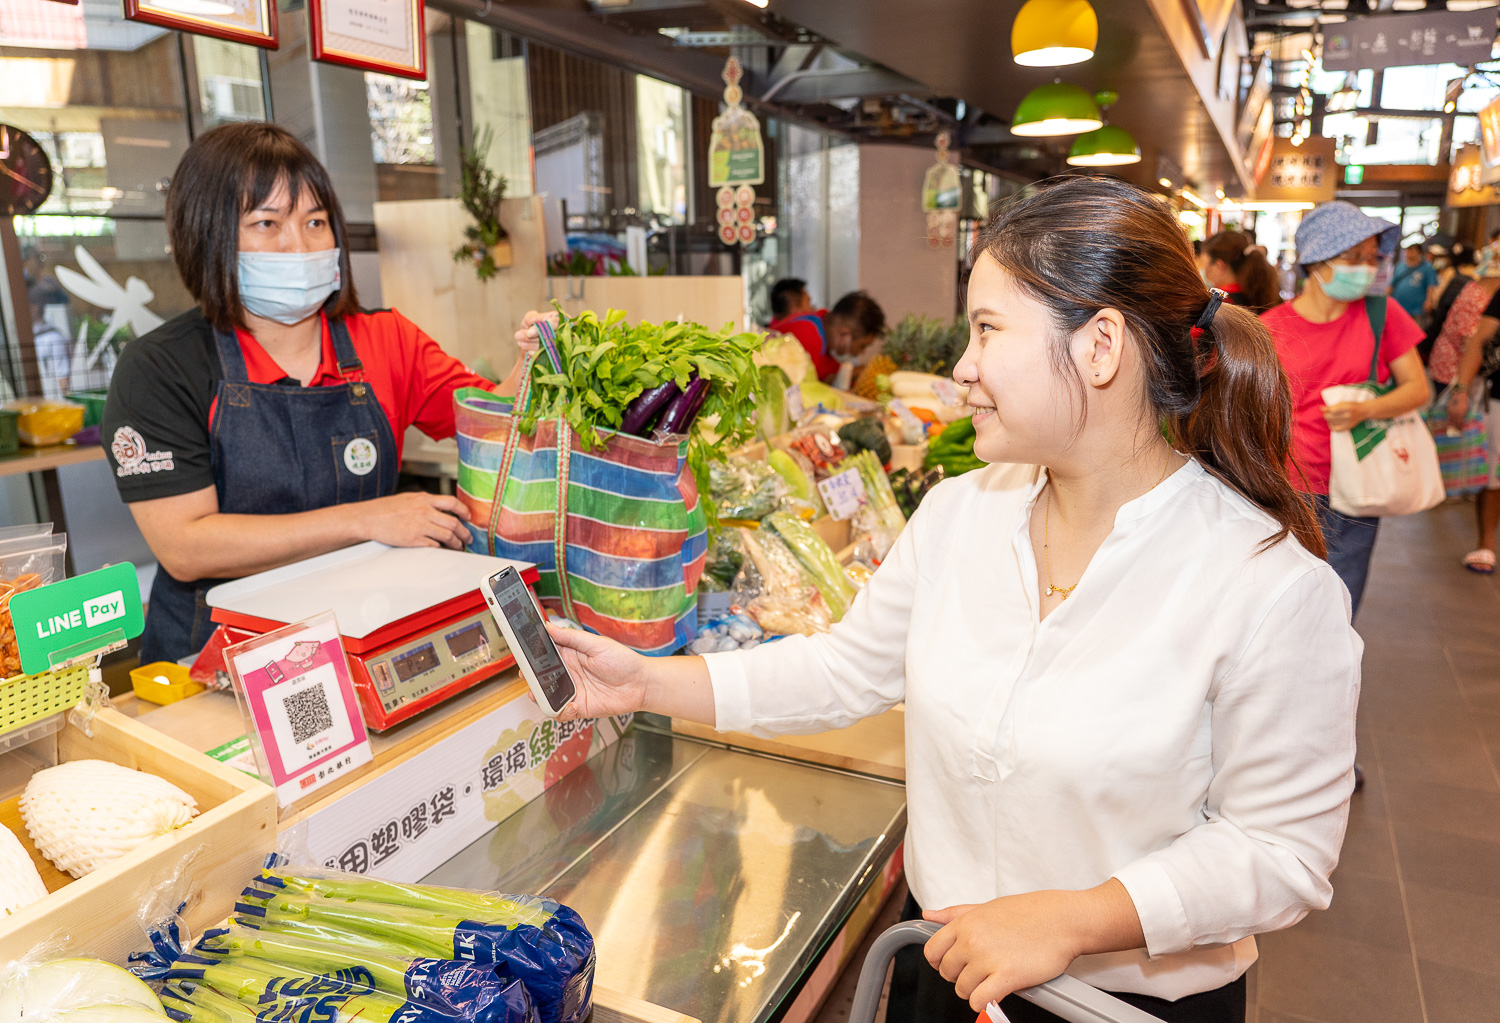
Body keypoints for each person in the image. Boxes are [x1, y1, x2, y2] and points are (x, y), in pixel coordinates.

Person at [544, 177, 1360, 1023]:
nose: (961, 368)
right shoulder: (961, 513)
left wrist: (1077, 915)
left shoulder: (1269, 587)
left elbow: (1280, 851)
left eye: (987, 330)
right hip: (939, 971)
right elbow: (846, 668)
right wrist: (646, 682)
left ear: (1101, 347)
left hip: (1117, 1007)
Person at [102, 122, 528, 664]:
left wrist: (535, 362)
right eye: (266, 222)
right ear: (206, 234)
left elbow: (496, 427)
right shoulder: (161, 368)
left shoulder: (386, 339)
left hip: (367, 632)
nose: (298, 245)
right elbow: (186, 547)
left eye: (315, 221)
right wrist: (366, 519)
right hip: (216, 657)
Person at [1260, 202, 1431, 618]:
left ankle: (1329, 679)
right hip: (1289, 485)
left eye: (1372, 258)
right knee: (1281, 600)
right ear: (1316, 261)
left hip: (1359, 480)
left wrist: (1366, 410)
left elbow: (1417, 389)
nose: (1366, 268)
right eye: (1353, 257)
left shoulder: (1381, 314)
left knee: (1341, 598)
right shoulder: (1269, 328)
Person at [1438, 284, 1500, 572]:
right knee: (1493, 475)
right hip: (1497, 397)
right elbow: (1479, 340)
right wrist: (1461, 389)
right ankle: (1486, 543)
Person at [768, 278, 836, 382]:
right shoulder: (805, 331)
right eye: (808, 302)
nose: (813, 309)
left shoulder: (772, 332)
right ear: (795, 309)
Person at [1420, 241, 1475, 365]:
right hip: (1464, 326)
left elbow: (1439, 295)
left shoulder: (1451, 272)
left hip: (1444, 319)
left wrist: (1433, 305)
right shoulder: (1476, 274)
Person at [1201, 230, 1282, 312]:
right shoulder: (1254, 294)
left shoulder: (1219, 302)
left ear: (1219, 266)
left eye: (1206, 265)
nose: (1204, 270)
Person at [825, 290, 888, 392]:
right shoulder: (806, 336)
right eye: (862, 346)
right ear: (844, 334)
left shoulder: (825, 340)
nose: (862, 352)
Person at [1390, 243, 1438, 323]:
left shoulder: (1427, 267)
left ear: (1419, 253)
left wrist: (1429, 300)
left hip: (1417, 308)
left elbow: (1431, 285)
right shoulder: (1400, 266)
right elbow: (1392, 284)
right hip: (1398, 306)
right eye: (1408, 250)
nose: (1409, 253)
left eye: (1412, 250)